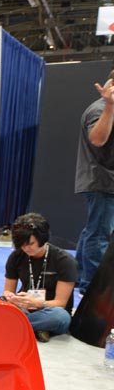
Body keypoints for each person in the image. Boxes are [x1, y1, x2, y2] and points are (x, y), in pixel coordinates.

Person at [2, 213, 77, 342]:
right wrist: (12, 298)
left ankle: (11, 325)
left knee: (60, 317)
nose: (26, 248)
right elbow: (8, 290)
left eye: (30, 243)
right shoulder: (16, 257)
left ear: (43, 239)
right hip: (24, 307)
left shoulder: (64, 261)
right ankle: (37, 328)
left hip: (51, 310)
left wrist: (37, 303)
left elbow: (61, 303)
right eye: (21, 245)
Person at [74, 70, 114, 294]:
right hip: (101, 182)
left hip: (104, 182)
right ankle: (92, 288)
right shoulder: (100, 109)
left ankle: (79, 276)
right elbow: (97, 139)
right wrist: (110, 106)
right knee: (99, 235)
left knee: (94, 230)